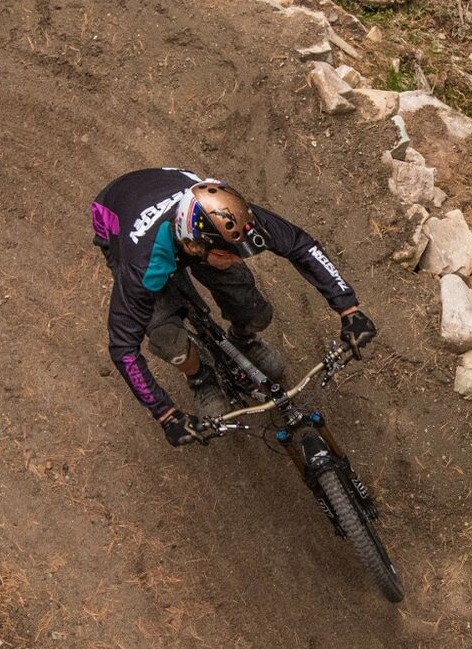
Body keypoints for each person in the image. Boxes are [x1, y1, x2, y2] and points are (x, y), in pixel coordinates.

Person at [91, 169, 376, 448]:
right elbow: (123, 348)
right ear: (194, 246)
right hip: (117, 219)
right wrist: (166, 414)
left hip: (167, 189)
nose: (239, 258)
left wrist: (348, 309)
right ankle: (200, 378)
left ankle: (243, 340)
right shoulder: (141, 266)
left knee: (252, 308)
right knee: (168, 338)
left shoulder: (227, 216)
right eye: (228, 253)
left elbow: (301, 246)